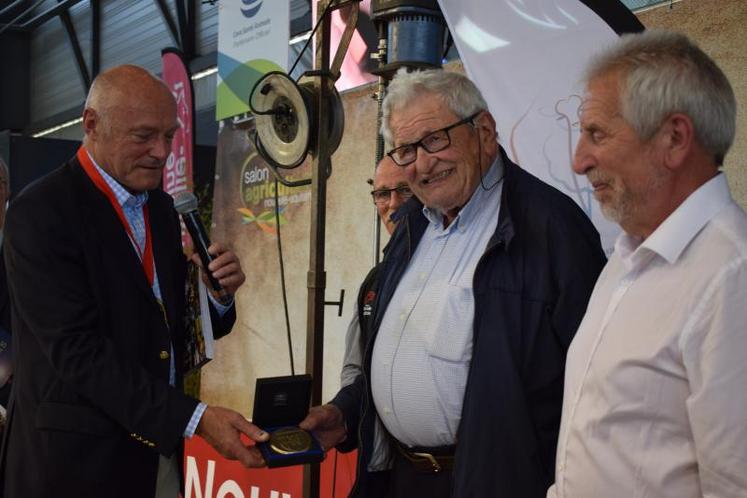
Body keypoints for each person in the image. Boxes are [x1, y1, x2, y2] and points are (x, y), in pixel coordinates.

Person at [301, 68, 606, 498]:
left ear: (483, 131)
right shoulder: (410, 226)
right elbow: (401, 355)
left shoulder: (552, 228)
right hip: (395, 478)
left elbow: (597, 391)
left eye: (435, 140)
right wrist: (348, 414)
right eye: (406, 150)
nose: (423, 164)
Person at [0, 65, 268, 498]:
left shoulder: (162, 210)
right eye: (144, 136)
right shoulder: (40, 213)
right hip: (73, 465)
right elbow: (78, 353)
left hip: (155, 458)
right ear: (91, 125)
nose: (161, 152)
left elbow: (171, 333)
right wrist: (194, 418)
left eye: (169, 135)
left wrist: (214, 297)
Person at [548, 30, 747, 498]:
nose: (579, 161)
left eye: (597, 133)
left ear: (675, 139)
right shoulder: (626, 257)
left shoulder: (731, 277)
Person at [340, 156, 413, 388]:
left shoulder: (448, 266)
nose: (393, 203)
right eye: (382, 194)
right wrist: (347, 413)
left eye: (405, 190)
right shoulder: (374, 281)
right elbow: (354, 366)